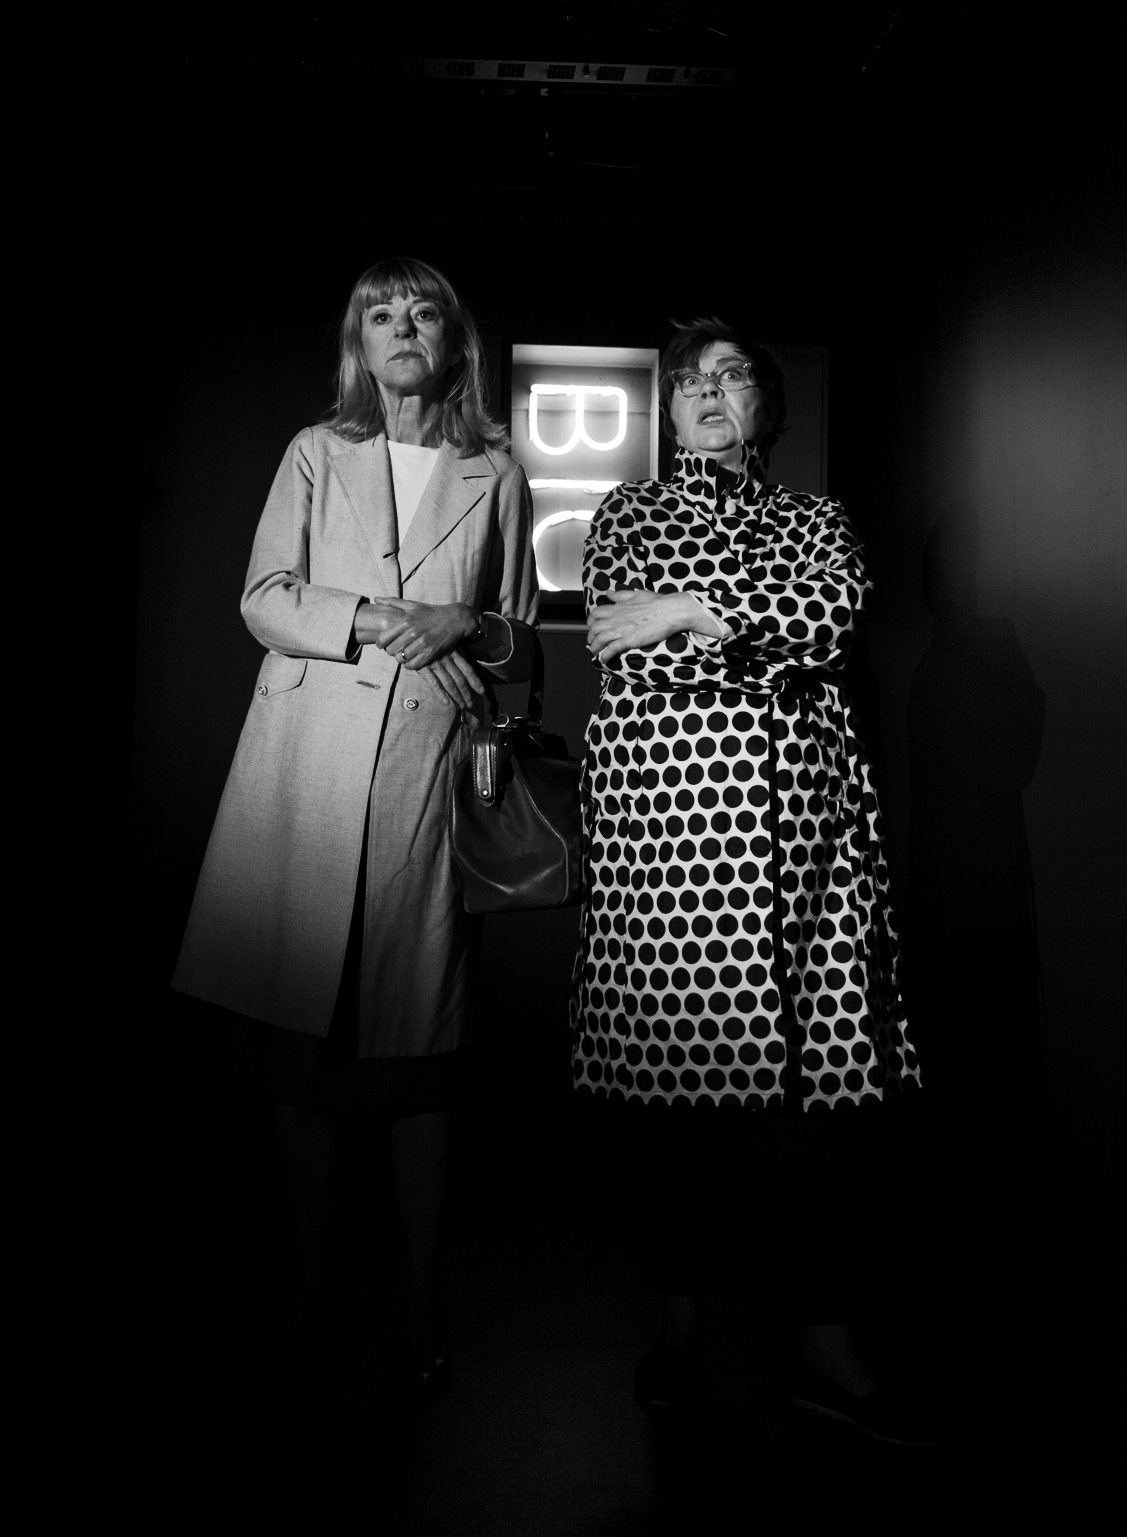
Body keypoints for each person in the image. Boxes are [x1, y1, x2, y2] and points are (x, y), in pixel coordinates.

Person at [172, 256, 539, 1398]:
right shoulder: (314, 451)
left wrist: (463, 619)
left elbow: (519, 639)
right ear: (358, 345)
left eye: (423, 312)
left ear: (454, 341)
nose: (402, 328)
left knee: (417, 1061)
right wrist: (383, 615)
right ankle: (311, 1290)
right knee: (301, 1055)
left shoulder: (496, 469)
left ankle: (419, 1304)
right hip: (308, 775)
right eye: (381, 314)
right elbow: (262, 596)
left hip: (426, 775)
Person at [573, 317, 928, 1444]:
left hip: (802, 841)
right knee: (676, 1105)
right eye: (688, 382)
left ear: (766, 406)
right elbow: (621, 645)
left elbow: (831, 621)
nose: (708, 393)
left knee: (814, 1108)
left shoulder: (817, 519)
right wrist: (735, 633)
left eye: (731, 377)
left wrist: (690, 611)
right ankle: (678, 1331)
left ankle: (823, 1343)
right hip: (670, 843)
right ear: (669, 411)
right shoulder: (626, 513)